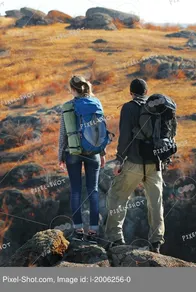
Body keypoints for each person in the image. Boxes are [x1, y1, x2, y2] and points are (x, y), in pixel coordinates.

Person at [105, 79, 165, 253]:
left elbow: (125, 137)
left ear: (131, 92)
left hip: (134, 162)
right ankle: (156, 242)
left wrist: (119, 159)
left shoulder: (129, 107)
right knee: (156, 202)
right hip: (155, 164)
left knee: (118, 197)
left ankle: (116, 239)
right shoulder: (158, 108)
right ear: (147, 92)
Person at [58, 76, 107, 244]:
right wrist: (103, 153)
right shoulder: (96, 103)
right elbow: (100, 131)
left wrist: (60, 156)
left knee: (76, 191)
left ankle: (78, 230)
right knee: (93, 191)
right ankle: (94, 231)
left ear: (73, 89)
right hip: (94, 152)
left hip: (73, 153)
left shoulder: (68, 106)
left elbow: (63, 134)